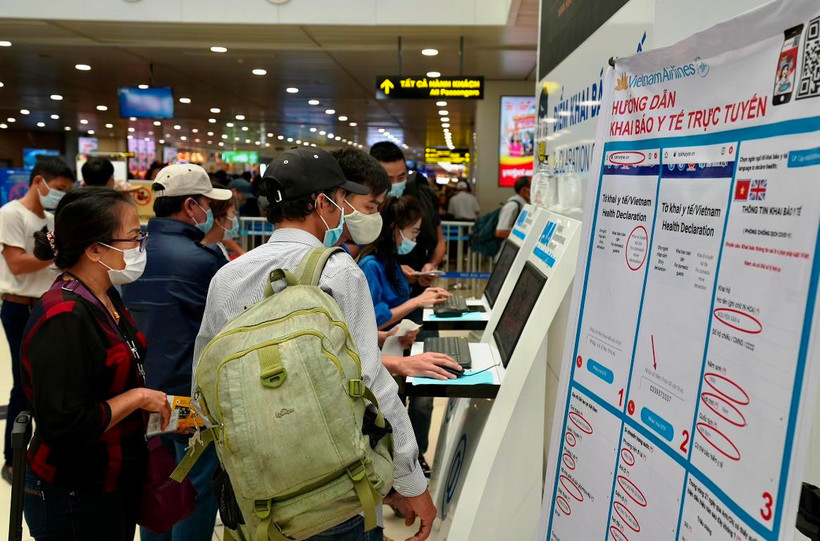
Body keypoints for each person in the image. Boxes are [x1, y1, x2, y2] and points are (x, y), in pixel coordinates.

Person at [195, 147, 437, 541]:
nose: (345, 210)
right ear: (322, 202)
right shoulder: (337, 269)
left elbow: (203, 391)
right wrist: (410, 482)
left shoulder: (228, 277)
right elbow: (372, 385)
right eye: (342, 199)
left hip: (260, 497)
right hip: (338, 492)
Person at [22, 188, 171, 540]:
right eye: (134, 237)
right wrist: (137, 399)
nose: (140, 246)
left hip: (113, 478)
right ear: (94, 249)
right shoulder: (64, 316)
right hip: (74, 491)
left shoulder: (105, 294)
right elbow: (65, 423)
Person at [121, 164, 232, 541]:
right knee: (194, 490)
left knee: (156, 483)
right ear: (190, 206)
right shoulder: (203, 261)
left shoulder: (132, 252)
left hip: (140, 394)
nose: (209, 212)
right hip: (191, 396)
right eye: (206, 204)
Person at [0, 156, 74, 484]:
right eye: (57, 189)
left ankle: (40, 452)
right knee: (23, 384)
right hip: (19, 308)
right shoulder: (10, 214)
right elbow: (16, 264)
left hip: (46, 306)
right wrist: (56, 255)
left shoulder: (51, 217)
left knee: (47, 382)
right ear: (38, 182)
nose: (58, 195)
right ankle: (13, 458)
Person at [359, 196, 461, 380]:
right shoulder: (371, 265)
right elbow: (373, 321)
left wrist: (417, 283)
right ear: (394, 228)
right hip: (384, 357)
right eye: (413, 232)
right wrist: (417, 301)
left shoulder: (389, 261)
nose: (414, 239)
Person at [370, 142, 445, 291]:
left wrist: (431, 265)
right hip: (382, 291)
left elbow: (440, 241)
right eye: (389, 179)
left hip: (419, 287)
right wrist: (393, 269)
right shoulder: (366, 203)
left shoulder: (423, 195)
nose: (396, 184)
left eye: (401, 176)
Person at [202, 182, 246, 260]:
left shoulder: (216, 246)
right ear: (219, 219)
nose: (235, 219)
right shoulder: (210, 254)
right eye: (233, 212)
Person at [495, 175, 531, 239]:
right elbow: (500, 232)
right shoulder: (512, 206)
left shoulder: (524, 205)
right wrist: (524, 233)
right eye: (532, 188)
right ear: (524, 190)